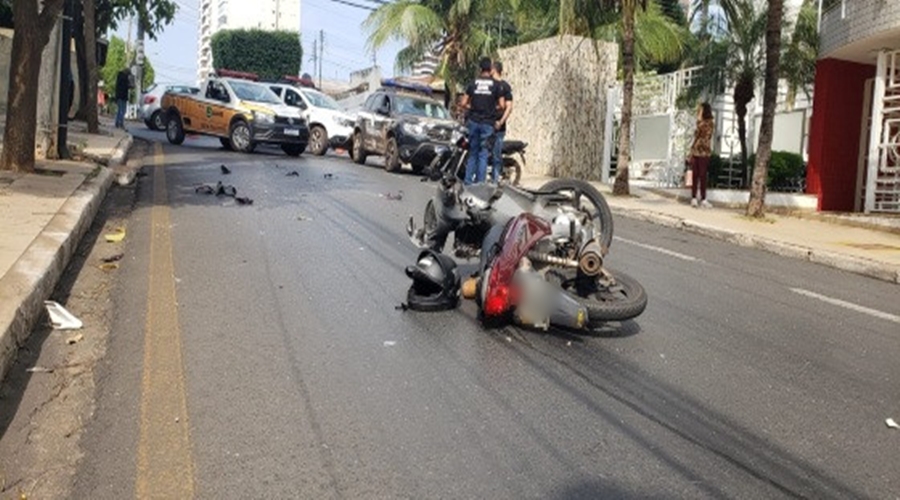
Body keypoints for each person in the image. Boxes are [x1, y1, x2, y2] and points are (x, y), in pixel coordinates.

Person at [460, 57, 505, 185]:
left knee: (473, 153)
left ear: (480, 69)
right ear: (490, 69)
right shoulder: (496, 85)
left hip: (473, 122)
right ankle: (480, 184)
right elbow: (502, 106)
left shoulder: (473, 83)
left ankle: (468, 182)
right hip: (488, 123)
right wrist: (491, 108)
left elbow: (463, 103)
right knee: (483, 154)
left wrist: (472, 107)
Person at [490, 61, 513, 184]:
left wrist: (500, 121)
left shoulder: (505, 87)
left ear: (494, 69)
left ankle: (495, 181)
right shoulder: (488, 85)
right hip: (486, 125)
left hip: (499, 127)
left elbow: (509, 107)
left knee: (496, 155)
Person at [689, 102, 714, 208]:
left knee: (702, 175)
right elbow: (696, 136)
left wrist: (699, 121)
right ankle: (694, 197)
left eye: (700, 110)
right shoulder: (700, 122)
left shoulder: (709, 123)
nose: (699, 112)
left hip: (704, 152)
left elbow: (703, 134)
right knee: (695, 175)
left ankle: (703, 198)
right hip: (696, 151)